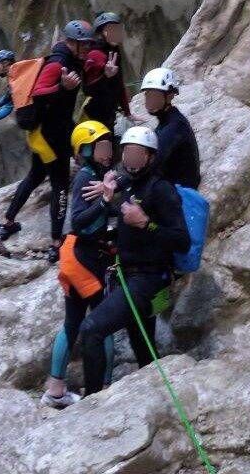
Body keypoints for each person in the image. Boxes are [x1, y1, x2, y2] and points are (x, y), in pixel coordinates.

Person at [78, 126, 190, 397]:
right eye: (127, 152)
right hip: (129, 277)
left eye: (137, 153)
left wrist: (146, 224)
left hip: (148, 280)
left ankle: (90, 402)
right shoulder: (131, 184)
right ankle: (153, 397)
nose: (130, 158)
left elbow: (181, 240)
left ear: (150, 157)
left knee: (91, 329)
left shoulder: (161, 190)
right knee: (143, 347)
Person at [0, 20, 89, 263]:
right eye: (84, 44)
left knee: (36, 175)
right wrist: (62, 86)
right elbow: (39, 93)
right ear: (73, 43)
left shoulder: (68, 59)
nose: (87, 48)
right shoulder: (58, 64)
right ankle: (56, 242)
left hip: (45, 132)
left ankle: (8, 222)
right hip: (50, 135)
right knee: (59, 184)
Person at [40, 120, 117, 408]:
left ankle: (55, 390)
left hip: (76, 256)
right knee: (103, 322)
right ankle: (104, 384)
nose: (108, 151)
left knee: (73, 322)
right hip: (84, 258)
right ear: (86, 149)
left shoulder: (95, 173)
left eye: (109, 145)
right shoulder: (87, 177)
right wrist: (104, 202)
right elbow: (81, 221)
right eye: (102, 146)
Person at [80, 12, 143, 131]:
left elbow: (118, 84)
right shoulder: (95, 55)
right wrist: (106, 76)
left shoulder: (114, 51)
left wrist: (127, 112)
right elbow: (88, 89)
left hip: (108, 111)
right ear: (101, 33)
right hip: (95, 115)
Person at [140, 68, 201, 189]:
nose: (149, 101)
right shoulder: (168, 121)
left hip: (180, 195)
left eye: (155, 96)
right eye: (148, 95)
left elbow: (151, 163)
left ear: (169, 96)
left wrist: (117, 183)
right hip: (174, 187)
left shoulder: (174, 126)